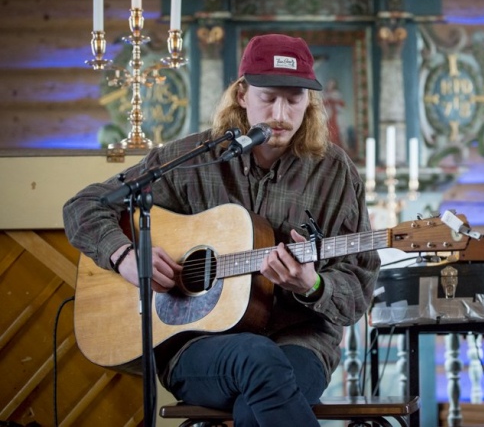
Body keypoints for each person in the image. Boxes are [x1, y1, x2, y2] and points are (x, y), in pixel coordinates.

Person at [63, 34, 381, 426]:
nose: (280, 113)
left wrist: (313, 286)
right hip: (196, 344)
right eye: (268, 97)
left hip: (301, 340)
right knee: (258, 364)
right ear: (242, 95)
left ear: (309, 102)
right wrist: (125, 256)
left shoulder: (334, 172)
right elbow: (85, 206)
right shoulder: (190, 159)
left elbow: (358, 288)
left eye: (294, 99)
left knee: (257, 404)